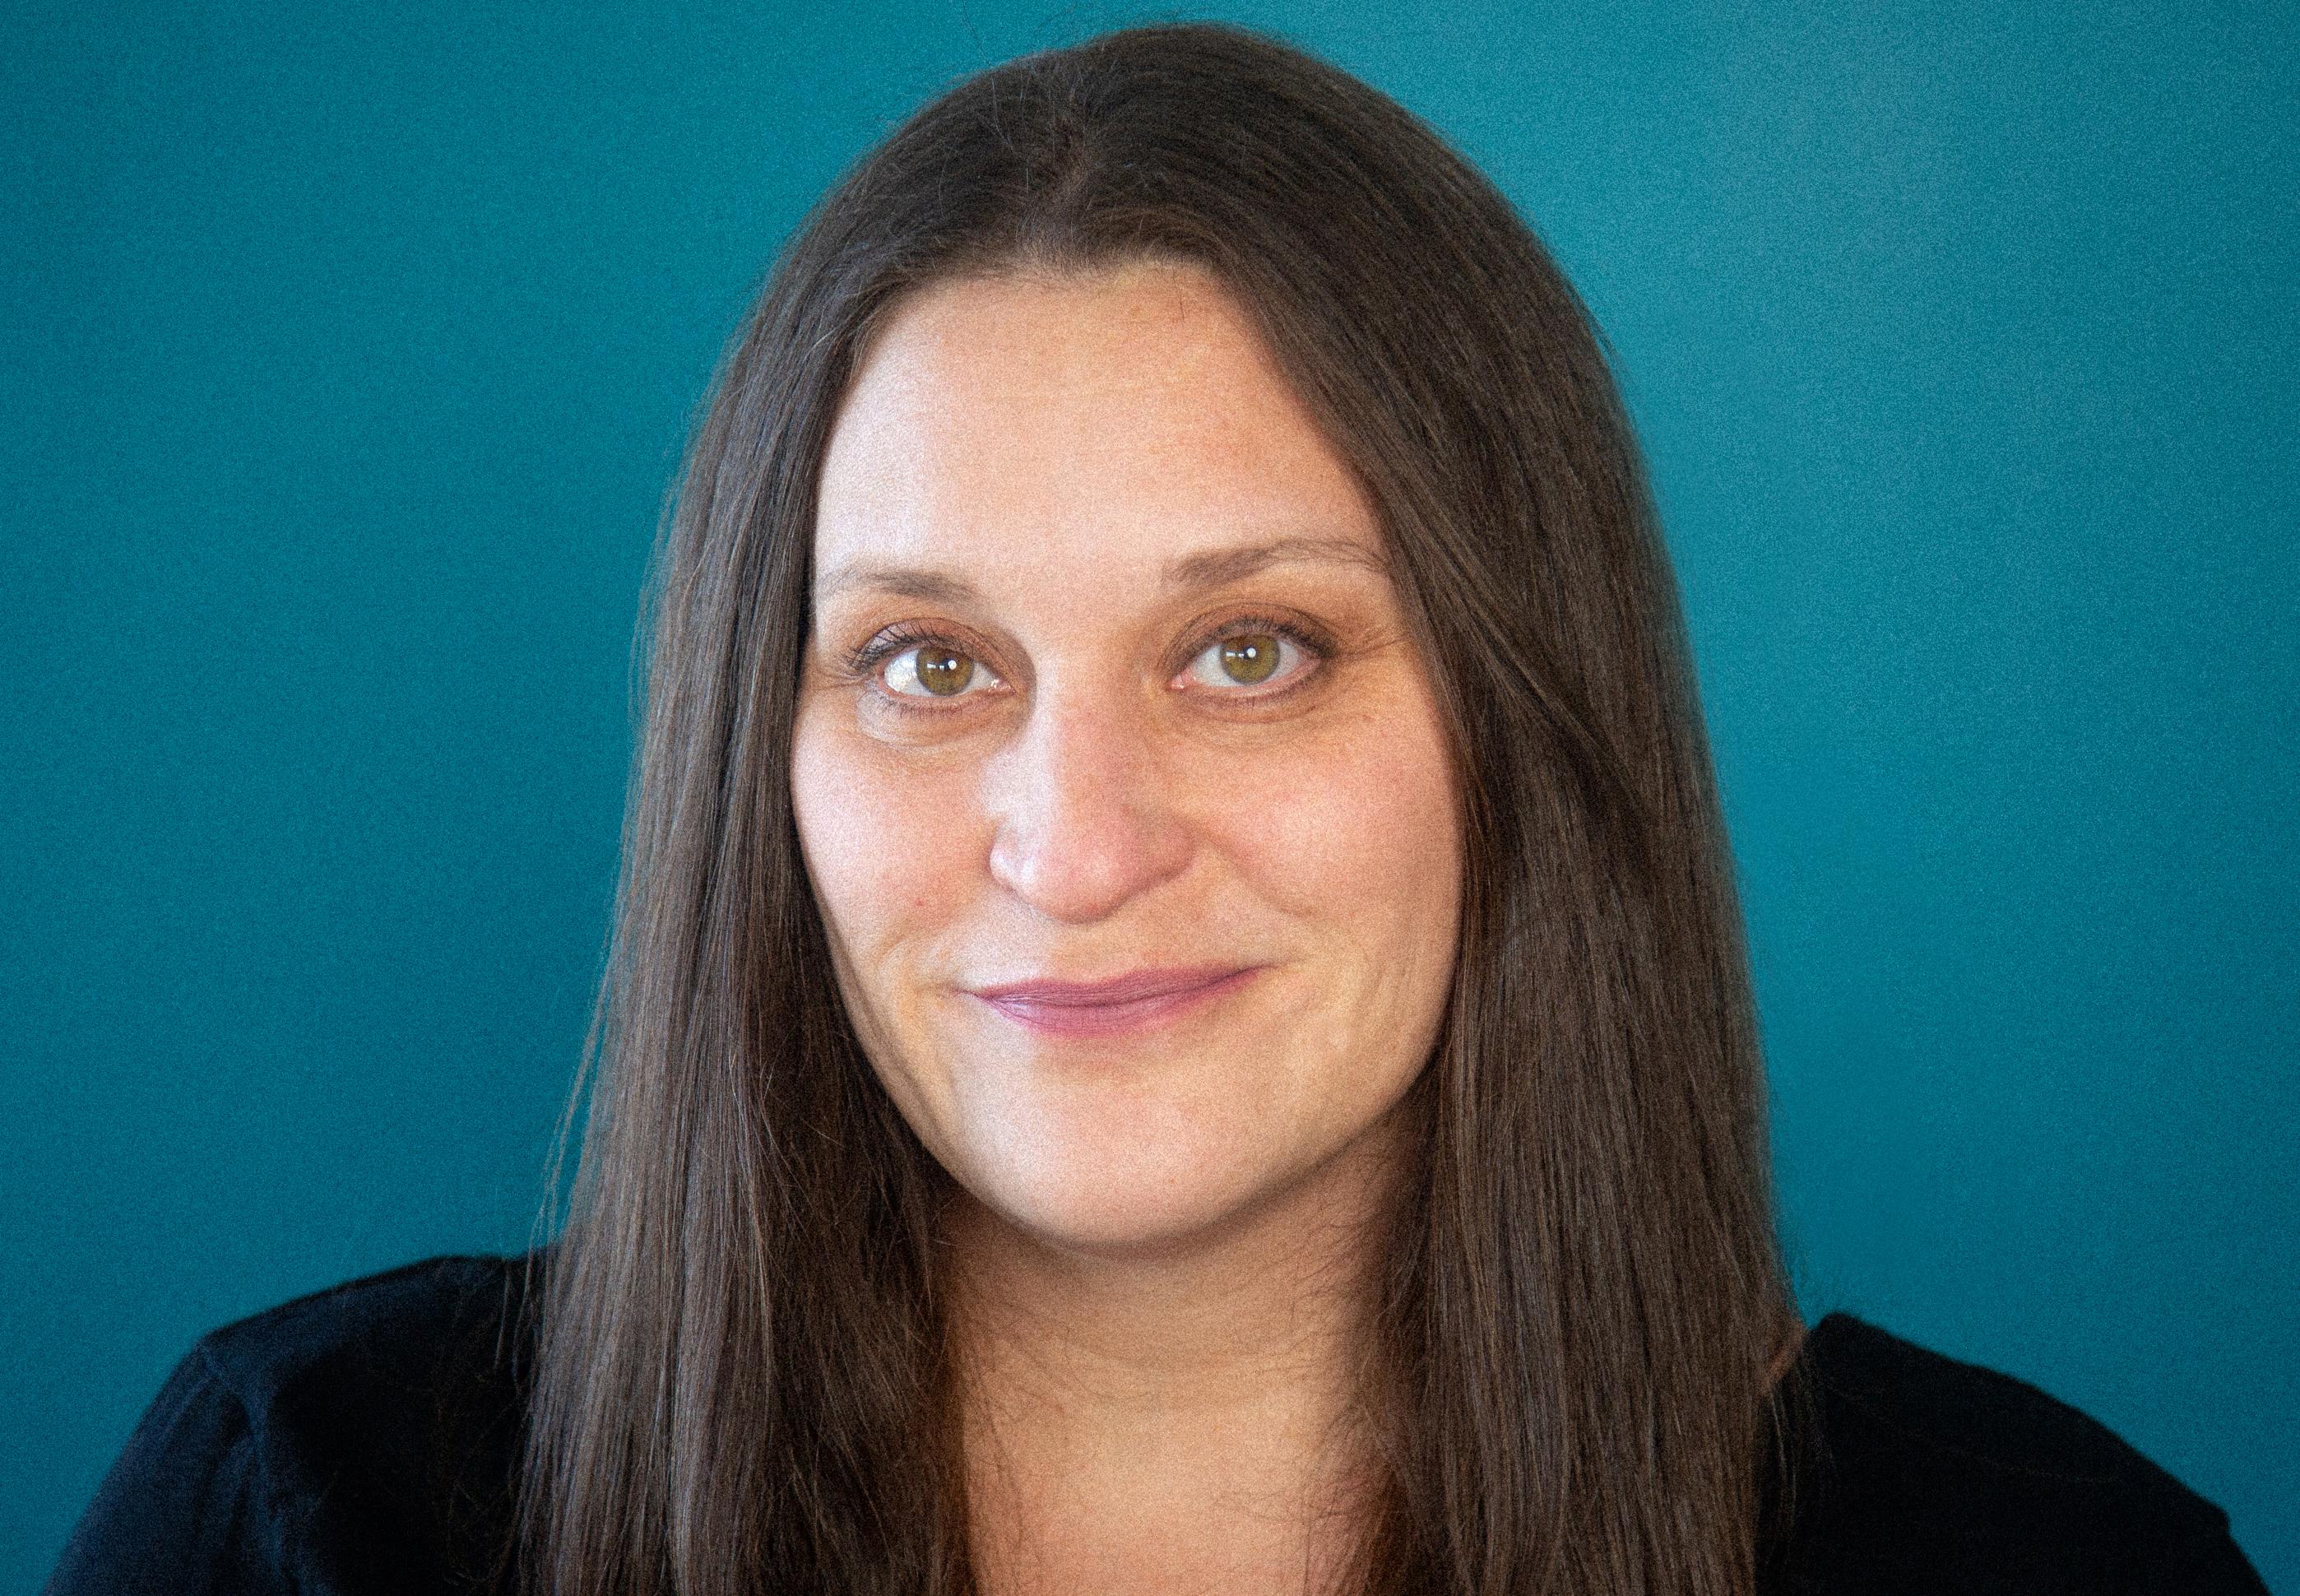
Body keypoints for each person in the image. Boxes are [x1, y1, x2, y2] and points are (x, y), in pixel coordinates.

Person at [45, 22, 2267, 1596]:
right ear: (766, 766)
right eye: (930, 665)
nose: (1077, 843)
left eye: (1250, 650)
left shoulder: (2042, 1557)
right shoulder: (310, 1507)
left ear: (1525, 716)